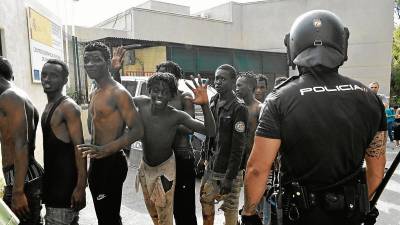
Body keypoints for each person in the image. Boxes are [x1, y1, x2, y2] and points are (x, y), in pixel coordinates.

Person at [241, 10, 386, 225]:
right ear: (342, 45)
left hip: (298, 216)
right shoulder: (369, 98)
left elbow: (257, 169)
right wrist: (360, 202)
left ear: (293, 46)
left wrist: (249, 214)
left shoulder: (279, 99)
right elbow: (375, 173)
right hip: (349, 214)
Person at [133, 72, 216, 225]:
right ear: (149, 90)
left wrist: (204, 105)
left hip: (165, 170)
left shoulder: (176, 116)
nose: (159, 95)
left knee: (165, 216)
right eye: (156, 90)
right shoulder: (140, 103)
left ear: (172, 95)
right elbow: (120, 101)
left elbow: (210, 131)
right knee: (154, 214)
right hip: (145, 167)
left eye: (165, 92)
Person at [77, 42, 144, 225]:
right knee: (104, 218)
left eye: (96, 60)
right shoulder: (96, 92)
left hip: (112, 163)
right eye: (86, 60)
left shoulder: (119, 93)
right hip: (98, 163)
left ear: (107, 62)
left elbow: (137, 130)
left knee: (109, 218)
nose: (90, 64)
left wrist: (106, 149)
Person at [200, 64, 248, 225]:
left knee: (230, 208)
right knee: (205, 201)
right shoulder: (214, 101)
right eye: (216, 78)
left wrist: (229, 177)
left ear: (233, 81)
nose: (218, 82)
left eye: (222, 78)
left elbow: (238, 147)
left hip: (229, 171)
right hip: (212, 165)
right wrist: (203, 156)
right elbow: (210, 133)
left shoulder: (239, 108)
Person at [40, 59, 87, 225]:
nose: (47, 79)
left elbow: (80, 148)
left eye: (53, 75)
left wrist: (81, 186)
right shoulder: (49, 106)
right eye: (44, 74)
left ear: (65, 80)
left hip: (63, 192)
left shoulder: (67, 107)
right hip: (54, 190)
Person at [0, 56, 44, 225]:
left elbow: (22, 144)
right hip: (22, 177)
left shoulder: (10, 97)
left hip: (22, 181)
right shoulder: (15, 96)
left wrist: (18, 192)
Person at [156, 61, 198, 225]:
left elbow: (190, 128)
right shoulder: (155, 98)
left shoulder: (184, 97)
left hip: (181, 158)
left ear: (177, 78)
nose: (163, 78)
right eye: (160, 74)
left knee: (184, 210)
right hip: (160, 160)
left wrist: (164, 122)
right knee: (163, 209)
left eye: (168, 74)